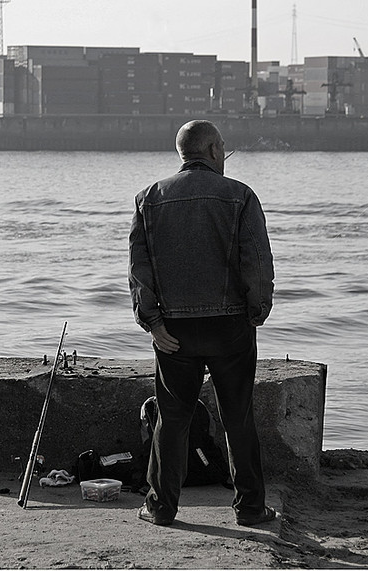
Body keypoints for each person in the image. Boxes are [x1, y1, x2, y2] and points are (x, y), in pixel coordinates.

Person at [128, 119, 276, 528]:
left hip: (173, 331)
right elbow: (257, 262)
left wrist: (152, 322)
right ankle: (250, 509)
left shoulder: (149, 199)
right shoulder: (241, 196)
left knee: (172, 419)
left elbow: (139, 271)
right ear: (212, 151)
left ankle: (160, 508)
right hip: (230, 327)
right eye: (223, 149)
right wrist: (256, 311)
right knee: (237, 418)